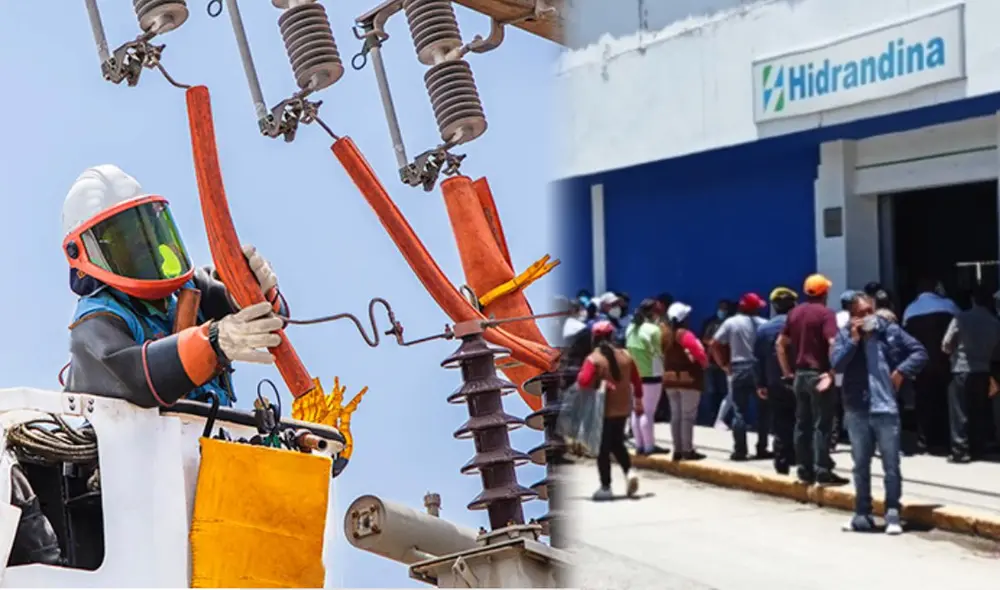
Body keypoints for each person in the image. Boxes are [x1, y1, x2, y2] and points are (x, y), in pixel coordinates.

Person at [62, 165, 287, 408]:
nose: (141, 244)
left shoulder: (188, 288)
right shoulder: (96, 320)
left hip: (205, 438)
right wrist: (212, 342)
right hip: (131, 442)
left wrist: (255, 288)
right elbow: (134, 377)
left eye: (143, 229)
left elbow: (272, 319)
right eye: (123, 237)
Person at [832, 293, 927, 534]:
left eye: (869, 312)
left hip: (886, 407)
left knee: (891, 464)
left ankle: (892, 512)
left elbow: (919, 351)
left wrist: (901, 372)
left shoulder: (890, 332)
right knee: (860, 464)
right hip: (857, 408)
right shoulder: (844, 335)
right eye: (860, 314)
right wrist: (853, 340)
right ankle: (861, 514)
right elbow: (837, 366)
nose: (866, 317)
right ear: (852, 317)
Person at [776, 274, 848, 485]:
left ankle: (803, 468)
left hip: (799, 374)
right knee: (822, 424)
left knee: (802, 423)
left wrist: (787, 371)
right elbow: (833, 342)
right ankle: (822, 469)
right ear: (824, 293)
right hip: (819, 374)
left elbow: (780, 344)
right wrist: (834, 371)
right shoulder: (826, 314)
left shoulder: (794, 313)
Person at [576, 320, 643, 500]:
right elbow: (636, 380)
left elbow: (583, 381)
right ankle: (629, 472)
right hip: (622, 409)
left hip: (602, 410)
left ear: (594, 338)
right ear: (612, 336)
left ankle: (606, 487)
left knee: (603, 449)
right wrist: (638, 401)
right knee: (617, 443)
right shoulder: (626, 356)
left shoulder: (593, 359)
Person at [941, 285, 1000, 462]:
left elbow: (946, 344)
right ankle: (978, 447)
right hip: (983, 369)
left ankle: (960, 451)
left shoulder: (961, 317)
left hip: (961, 367)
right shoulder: (995, 322)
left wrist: (953, 353)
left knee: (959, 411)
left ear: (973, 300)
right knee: (978, 410)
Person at [902, 277, 960, 454]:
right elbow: (959, 329)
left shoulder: (910, 310)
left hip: (921, 366)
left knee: (923, 403)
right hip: (944, 362)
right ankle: (945, 440)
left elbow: (904, 340)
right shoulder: (949, 305)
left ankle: (924, 440)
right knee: (945, 402)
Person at [711, 293, 770, 461]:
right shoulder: (764, 324)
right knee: (763, 411)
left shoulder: (731, 323)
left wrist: (723, 365)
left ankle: (740, 450)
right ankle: (762, 448)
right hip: (759, 369)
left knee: (739, 412)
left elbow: (714, 344)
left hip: (738, 368)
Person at [754, 287, 798, 474]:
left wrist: (760, 383)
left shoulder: (764, 329)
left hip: (774, 382)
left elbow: (758, 359)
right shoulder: (798, 325)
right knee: (801, 420)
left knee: (780, 423)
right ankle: (798, 458)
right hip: (797, 380)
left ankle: (781, 461)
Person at [662, 302, 710, 461]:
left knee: (675, 416)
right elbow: (699, 352)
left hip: (669, 380)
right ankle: (687, 450)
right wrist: (704, 365)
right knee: (687, 416)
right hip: (688, 380)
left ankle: (677, 449)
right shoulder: (685, 334)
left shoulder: (665, 334)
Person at [625, 299, 665, 455]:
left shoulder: (630, 328)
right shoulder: (653, 330)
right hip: (651, 375)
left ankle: (639, 445)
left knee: (636, 411)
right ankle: (649, 447)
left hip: (633, 375)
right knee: (648, 412)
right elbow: (659, 352)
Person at [701, 299, 732, 427]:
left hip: (726, 364)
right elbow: (705, 340)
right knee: (712, 392)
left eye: (725, 308)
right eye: (721, 308)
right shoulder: (710, 323)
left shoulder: (730, 323)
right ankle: (713, 417)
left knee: (725, 392)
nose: (722, 311)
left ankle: (724, 419)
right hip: (712, 363)